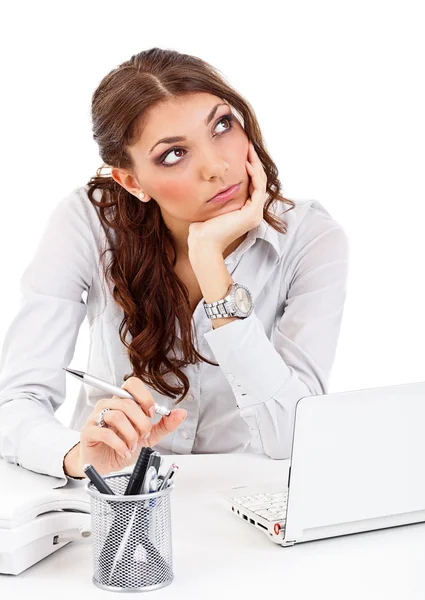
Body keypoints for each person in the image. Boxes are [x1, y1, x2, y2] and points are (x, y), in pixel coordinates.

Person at [0, 47, 350, 488]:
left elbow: (293, 434)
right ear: (131, 181)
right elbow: (17, 401)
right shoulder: (87, 222)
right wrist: (77, 454)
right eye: (173, 154)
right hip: (118, 502)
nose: (218, 167)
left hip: (245, 501)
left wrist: (213, 270)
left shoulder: (310, 238)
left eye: (223, 125)